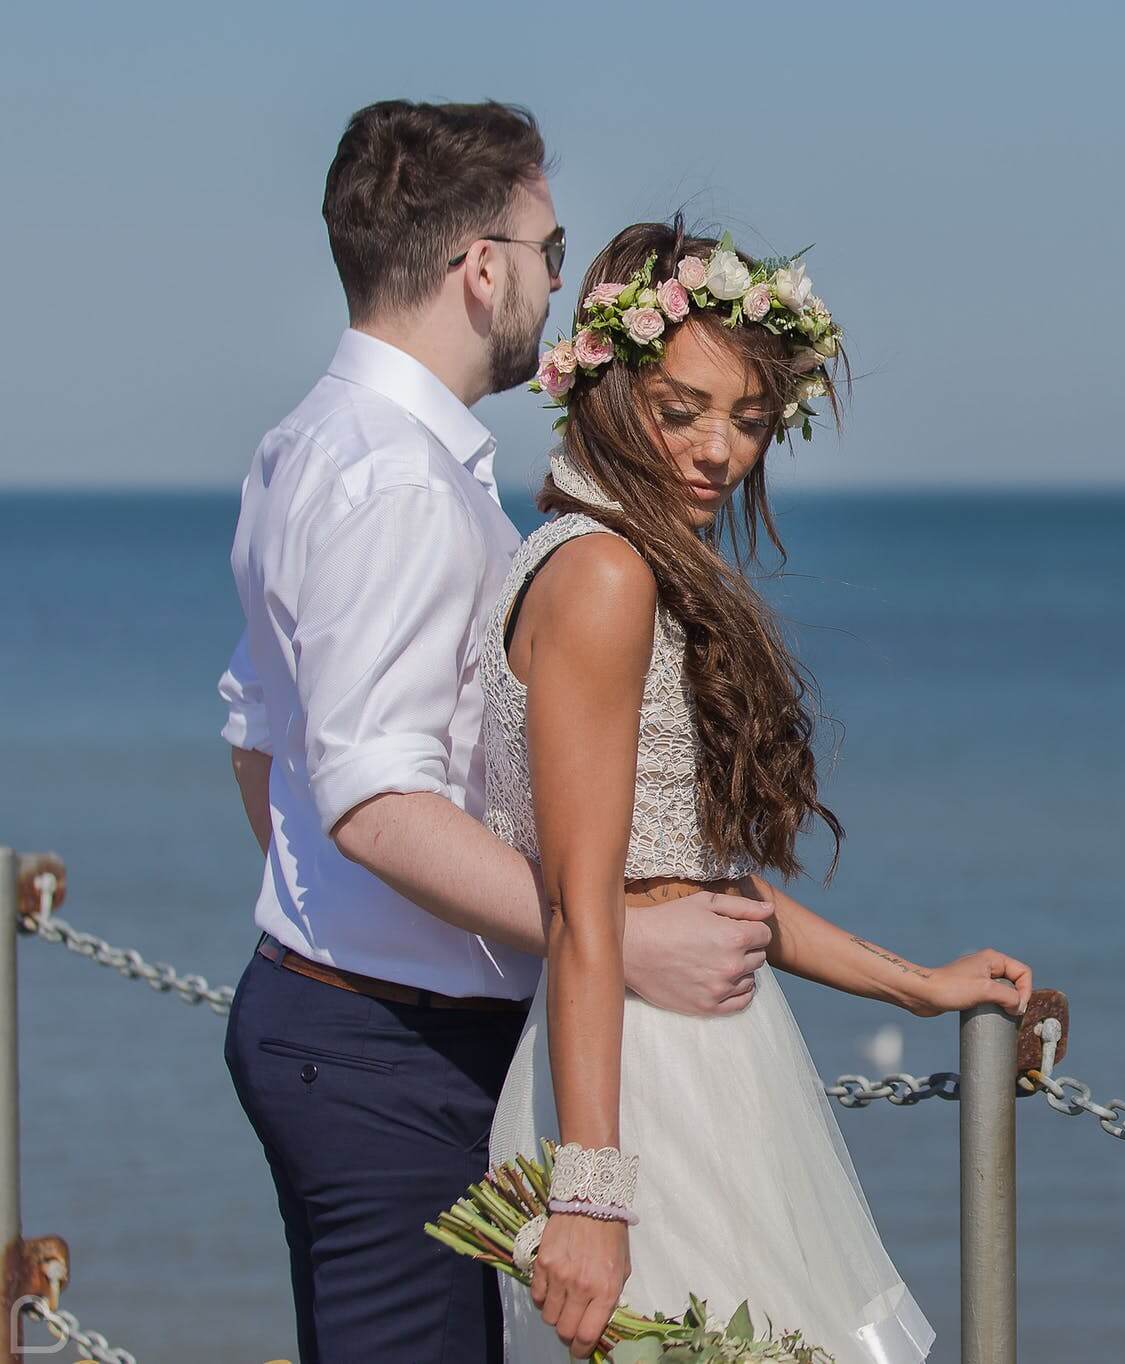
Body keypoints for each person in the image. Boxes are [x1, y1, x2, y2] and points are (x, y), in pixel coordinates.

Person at [218, 102, 778, 1364]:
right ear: (482, 268)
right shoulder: (398, 482)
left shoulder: (308, 442)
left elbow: (259, 734)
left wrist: (322, 935)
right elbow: (372, 802)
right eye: (546, 244)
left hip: (340, 1015)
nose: (555, 279)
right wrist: (619, 937)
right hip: (388, 1046)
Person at [484, 218, 1035, 1363]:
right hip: (641, 1084)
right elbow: (585, 906)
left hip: (694, 1058)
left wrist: (917, 987)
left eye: (746, 419)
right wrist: (591, 1193)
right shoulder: (601, 574)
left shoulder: (613, 558)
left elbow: (695, 882)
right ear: (602, 385)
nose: (717, 451)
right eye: (679, 408)